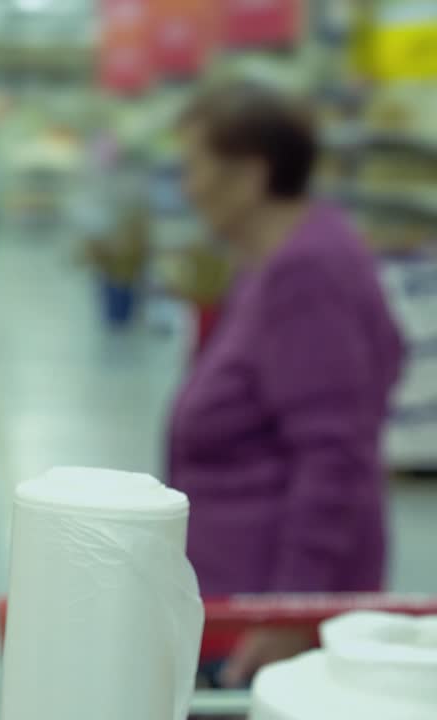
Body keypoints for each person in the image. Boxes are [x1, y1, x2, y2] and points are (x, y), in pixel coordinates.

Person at [169, 82, 404, 687]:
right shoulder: (271, 261)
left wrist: (291, 608)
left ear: (249, 174)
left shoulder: (308, 274)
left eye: (194, 165)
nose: (187, 187)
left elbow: (335, 455)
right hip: (237, 590)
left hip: (264, 617)